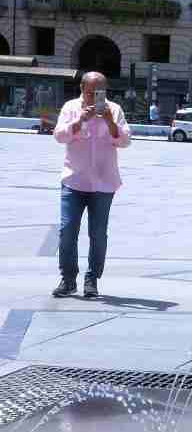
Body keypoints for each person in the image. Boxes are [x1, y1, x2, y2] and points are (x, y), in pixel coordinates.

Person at [51, 71, 131, 299]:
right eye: (91, 92)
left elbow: (125, 140)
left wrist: (109, 121)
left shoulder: (113, 110)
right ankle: (68, 279)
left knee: (98, 234)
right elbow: (59, 136)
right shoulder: (70, 107)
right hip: (74, 180)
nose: (96, 97)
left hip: (104, 183)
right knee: (67, 232)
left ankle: (92, 280)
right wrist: (79, 121)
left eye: (101, 92)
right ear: (82, 89)